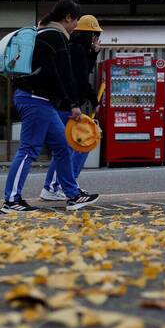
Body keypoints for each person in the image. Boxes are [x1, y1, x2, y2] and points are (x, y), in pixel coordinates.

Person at [2, 0, 100, 213]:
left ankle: (73, 195)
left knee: (63, 148)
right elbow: (63, 76)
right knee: (29, 150)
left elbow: (53, 74)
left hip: (37, 99)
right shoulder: (56, 37)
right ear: (67, 18)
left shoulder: (43, 33)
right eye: (75, 21)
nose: (75, 26)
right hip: (35, 99)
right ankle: (11, 200)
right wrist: (73, 104)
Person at [41, 15, 104, 201]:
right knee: (69, 147)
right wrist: (95, 101)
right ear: (88, 34)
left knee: (78, 145)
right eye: (95, 35)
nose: (96, 39)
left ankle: (66, 185)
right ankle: (54, 187)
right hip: (67, 106)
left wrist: (93, 54)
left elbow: (83, 75)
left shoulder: (77, 49)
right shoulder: (76, 50)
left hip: (68, 105)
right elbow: (82, 80)